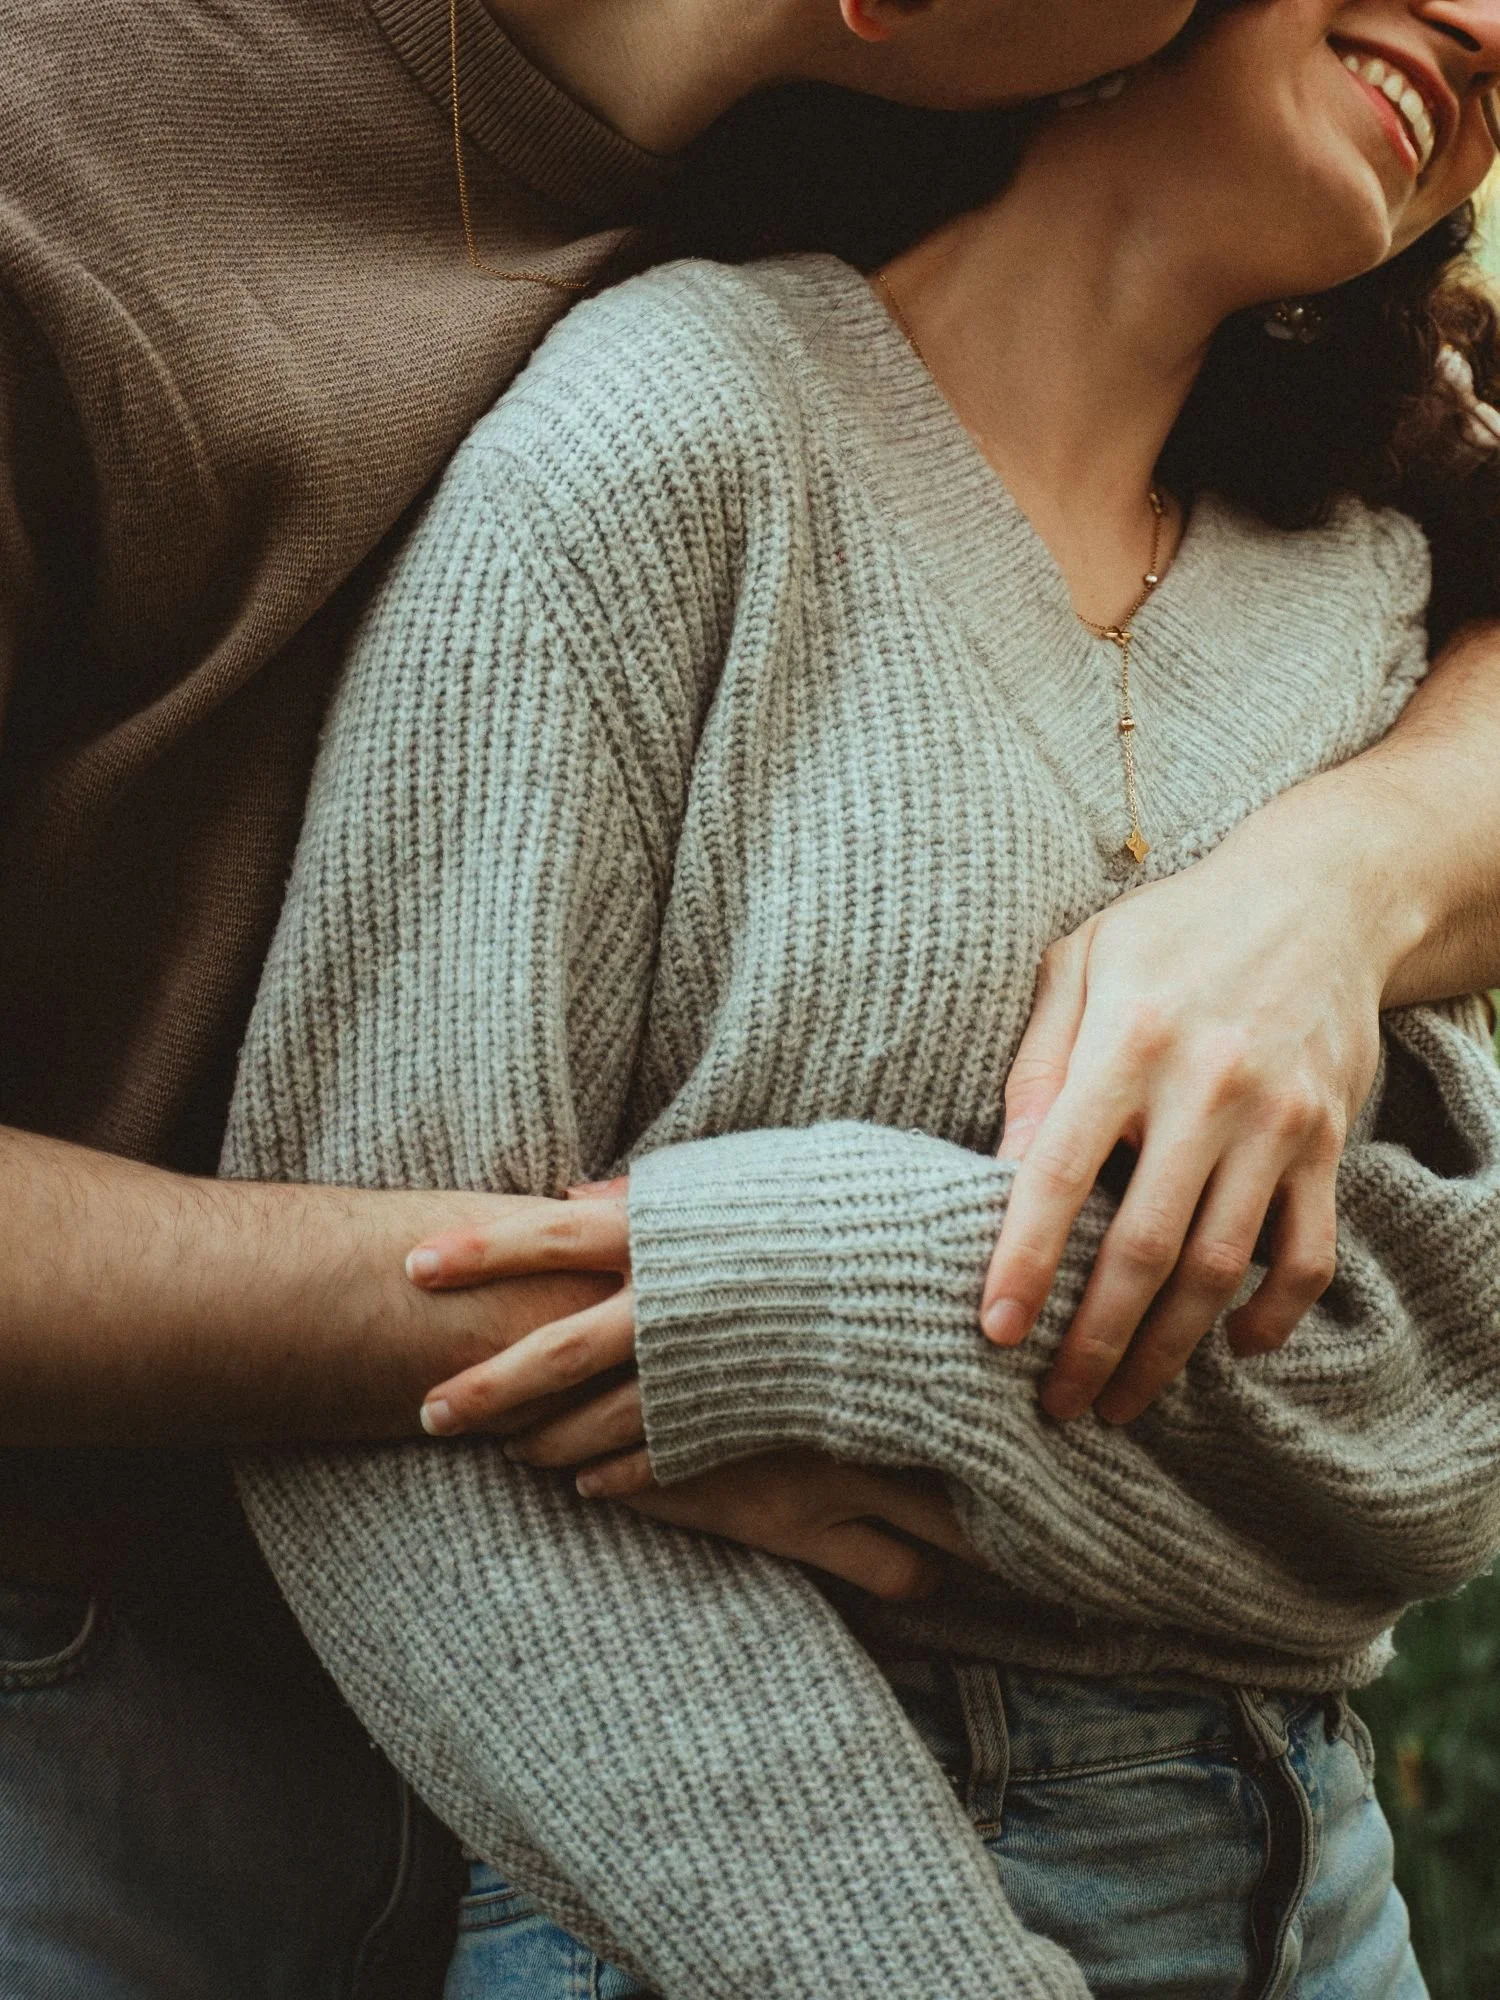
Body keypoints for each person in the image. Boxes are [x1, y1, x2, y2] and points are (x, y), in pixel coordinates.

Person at [3, 0, 1500, 1989]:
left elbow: (1444, 1394)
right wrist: (784, 1296)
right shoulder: (642, 417)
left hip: (1307, 1863)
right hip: (508, 1785)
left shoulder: (1355, 574)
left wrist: (1332, 890)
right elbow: (437, 1372)